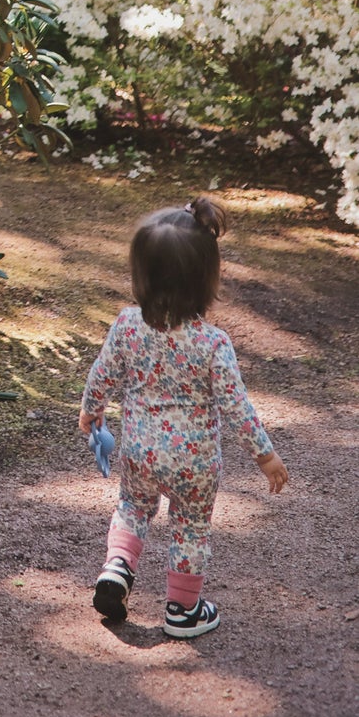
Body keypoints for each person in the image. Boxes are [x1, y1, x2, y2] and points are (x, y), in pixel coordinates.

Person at [79, 195, 289, 639]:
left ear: (141, 275)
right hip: (195, 464)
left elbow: (102, 374)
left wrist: (91, 410)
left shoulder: (127, 325)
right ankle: (183, 609)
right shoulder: (213, 343)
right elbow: (237, 406)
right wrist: (264, 456)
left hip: (139, 450)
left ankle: (118, 567)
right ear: (206, 279)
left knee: (133, 507)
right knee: (190, 526)